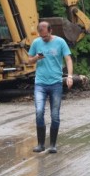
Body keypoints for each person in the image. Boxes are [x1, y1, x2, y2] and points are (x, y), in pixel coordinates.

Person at [27, 21, 73, 153]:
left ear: (50, 31)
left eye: (46, 36)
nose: (44, 38)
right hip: (40, 83)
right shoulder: (36, 42)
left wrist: (69, 76)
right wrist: (36, 57)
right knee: (39, 111)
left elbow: (68, 59)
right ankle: (41, 144)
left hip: (56, 83)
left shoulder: (60, 42)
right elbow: (28, 60)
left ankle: (52, 144)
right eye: (42, 37)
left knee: (55, 115)